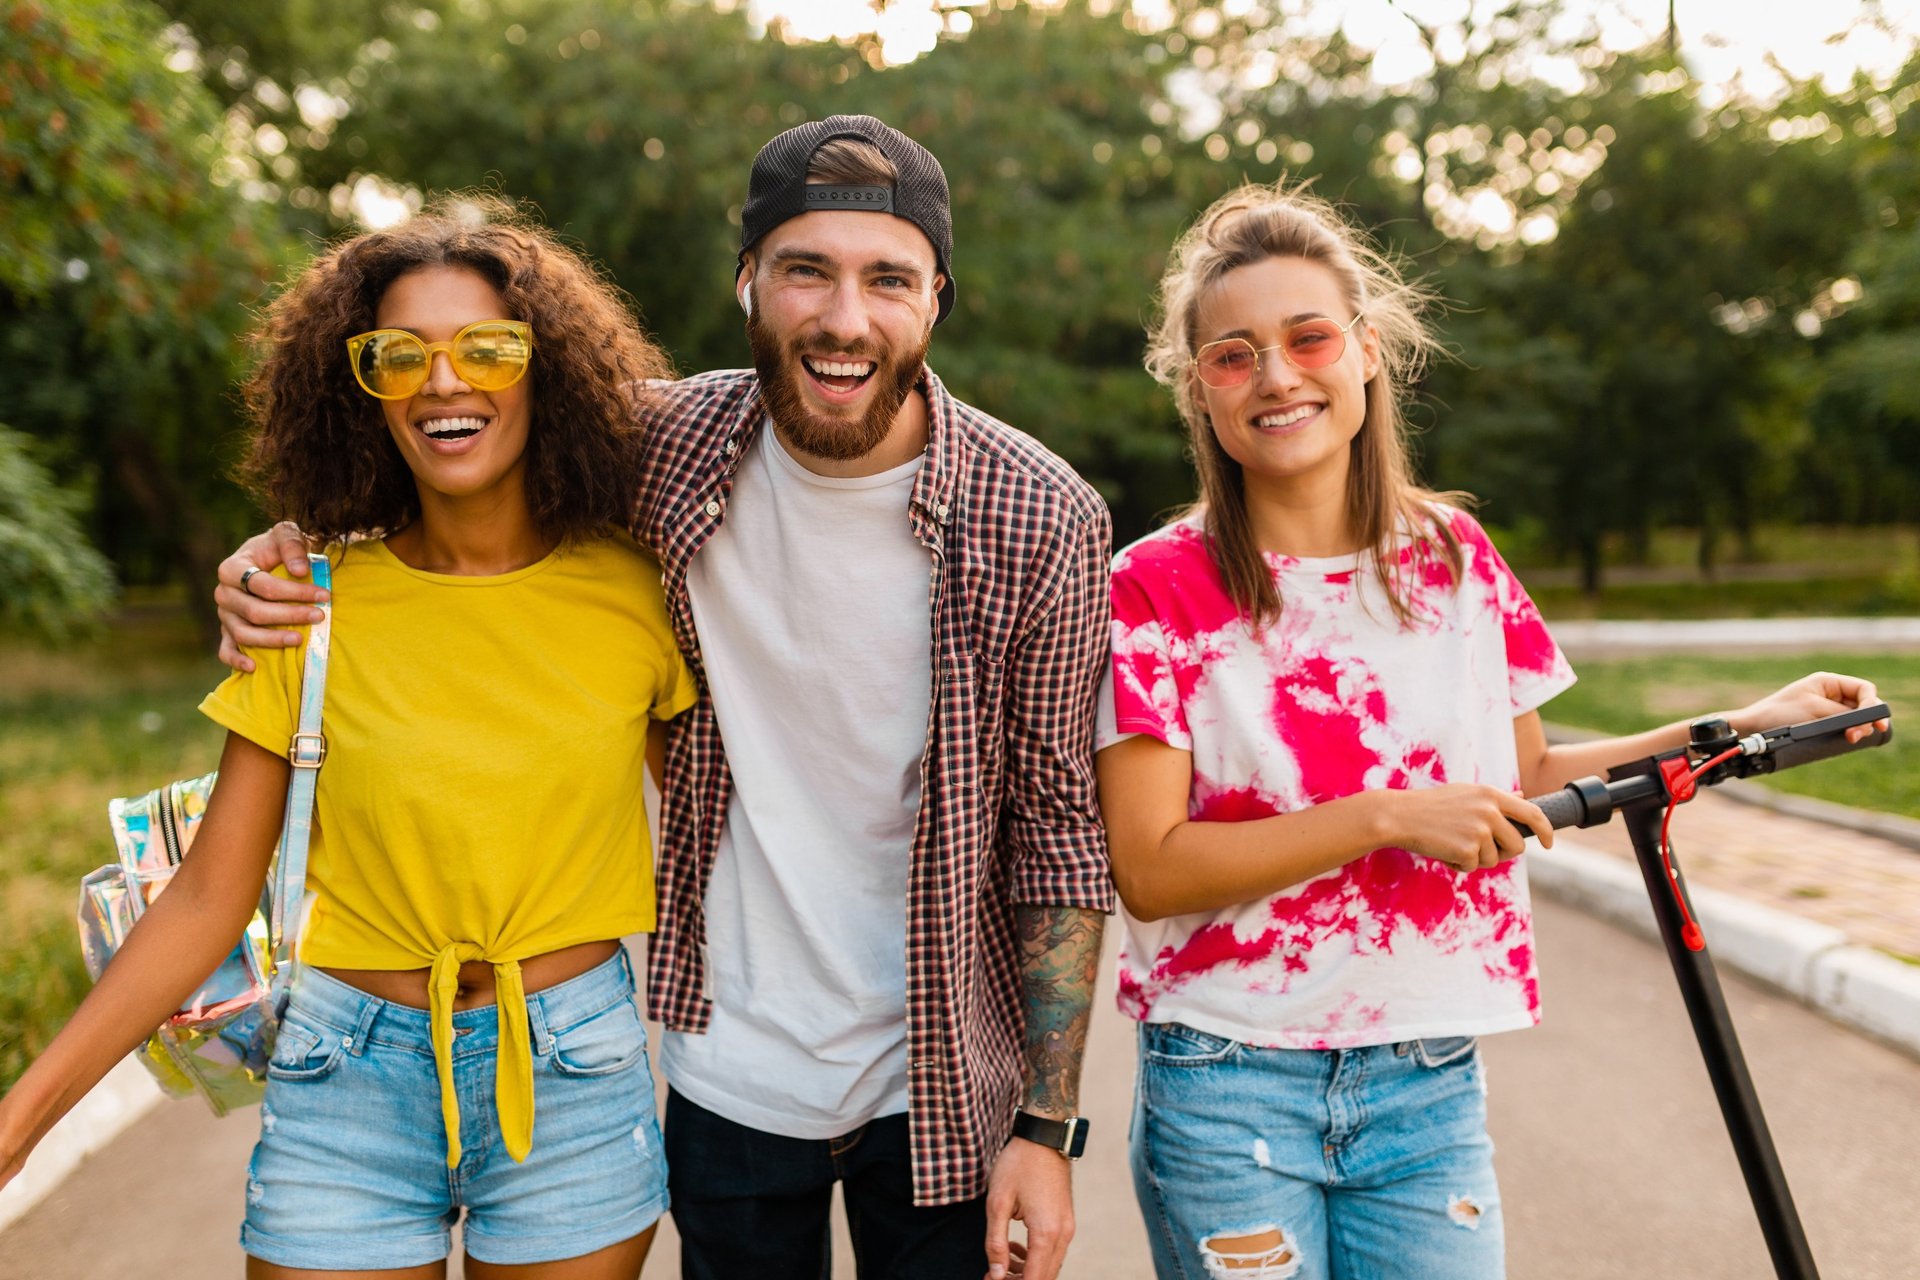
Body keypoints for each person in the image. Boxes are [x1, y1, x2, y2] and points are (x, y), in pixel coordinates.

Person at [213, 116, 1113, 1280]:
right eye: (806, 270)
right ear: (749, 282)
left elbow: (1059, 837)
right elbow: (450, 438)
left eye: (888, 277)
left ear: (936, 297)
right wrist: (277, 554)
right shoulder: (654, 445)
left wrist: (1048, 1129)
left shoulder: (1041, 516)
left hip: (942, 1079)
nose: (845, 317)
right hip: (727, 1071)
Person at [1092, 183, 1889, 1280]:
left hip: (1427, 1077)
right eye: (1233, 354)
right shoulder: (1152, 587)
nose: (1276, 375)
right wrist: (1384, 816)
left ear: (1366, 352)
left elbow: (1528, 776)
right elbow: (1151, 865)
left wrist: (1735, 722)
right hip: (1230, 1078)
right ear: (1200, 391)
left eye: (1307, 337)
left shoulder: (1453, 558)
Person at [0, 200, 696, 1279]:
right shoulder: (302, 604)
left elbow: (724, 838)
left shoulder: (637, 594)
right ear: (358, 389)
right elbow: (204, 896)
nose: (443, 382)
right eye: (398, 355)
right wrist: (21, 1115)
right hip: (346, 1080)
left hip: (569, 1073)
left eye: (487, 349)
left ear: (542, 373)